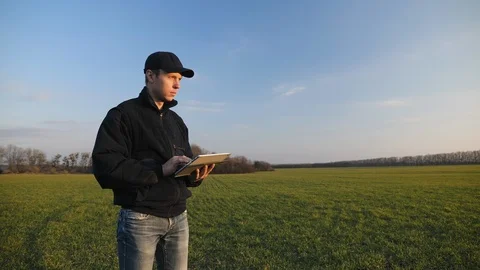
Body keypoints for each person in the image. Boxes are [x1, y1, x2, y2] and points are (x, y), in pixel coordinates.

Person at [92, 51, 215, 270]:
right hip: (140, 219)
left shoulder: (177, 122)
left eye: (180, 79)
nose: (178, 85)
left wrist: (195, 175)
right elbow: (105, 167)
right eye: (171, 77)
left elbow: (180, 171)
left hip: (179, 217)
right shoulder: (122, 115)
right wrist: (160, 169)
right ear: (150, 76)